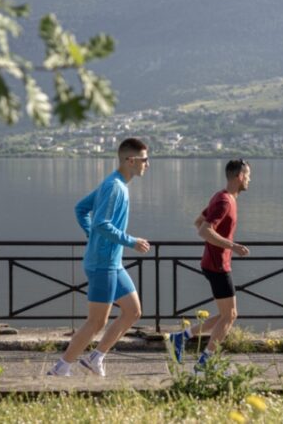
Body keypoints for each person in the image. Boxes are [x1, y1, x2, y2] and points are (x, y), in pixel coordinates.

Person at [47, 138, 151, 376]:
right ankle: (61, 368)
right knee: (96, 321)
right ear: (130, 160)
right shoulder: (114, 187)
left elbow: (81, 209)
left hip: (113, 264)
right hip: (103, 265)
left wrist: (91, 235)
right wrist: (131, 241)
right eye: (145, 160)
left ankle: (96, 357)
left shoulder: (116, 184)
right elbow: (102, 223)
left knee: (133, 311)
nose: (148, 164)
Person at [169, 159, 251, 370]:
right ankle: (204, 361)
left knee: (227, 314)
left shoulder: (221, 196)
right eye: (248, 175)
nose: (250, 179)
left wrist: (220, 244)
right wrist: (231, 246)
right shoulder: (225, 201)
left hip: (214, 262)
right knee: (230, 315)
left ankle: (181, 338)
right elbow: (203, 230)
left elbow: (199, 221)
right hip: (217, 265)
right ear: (239, 176)